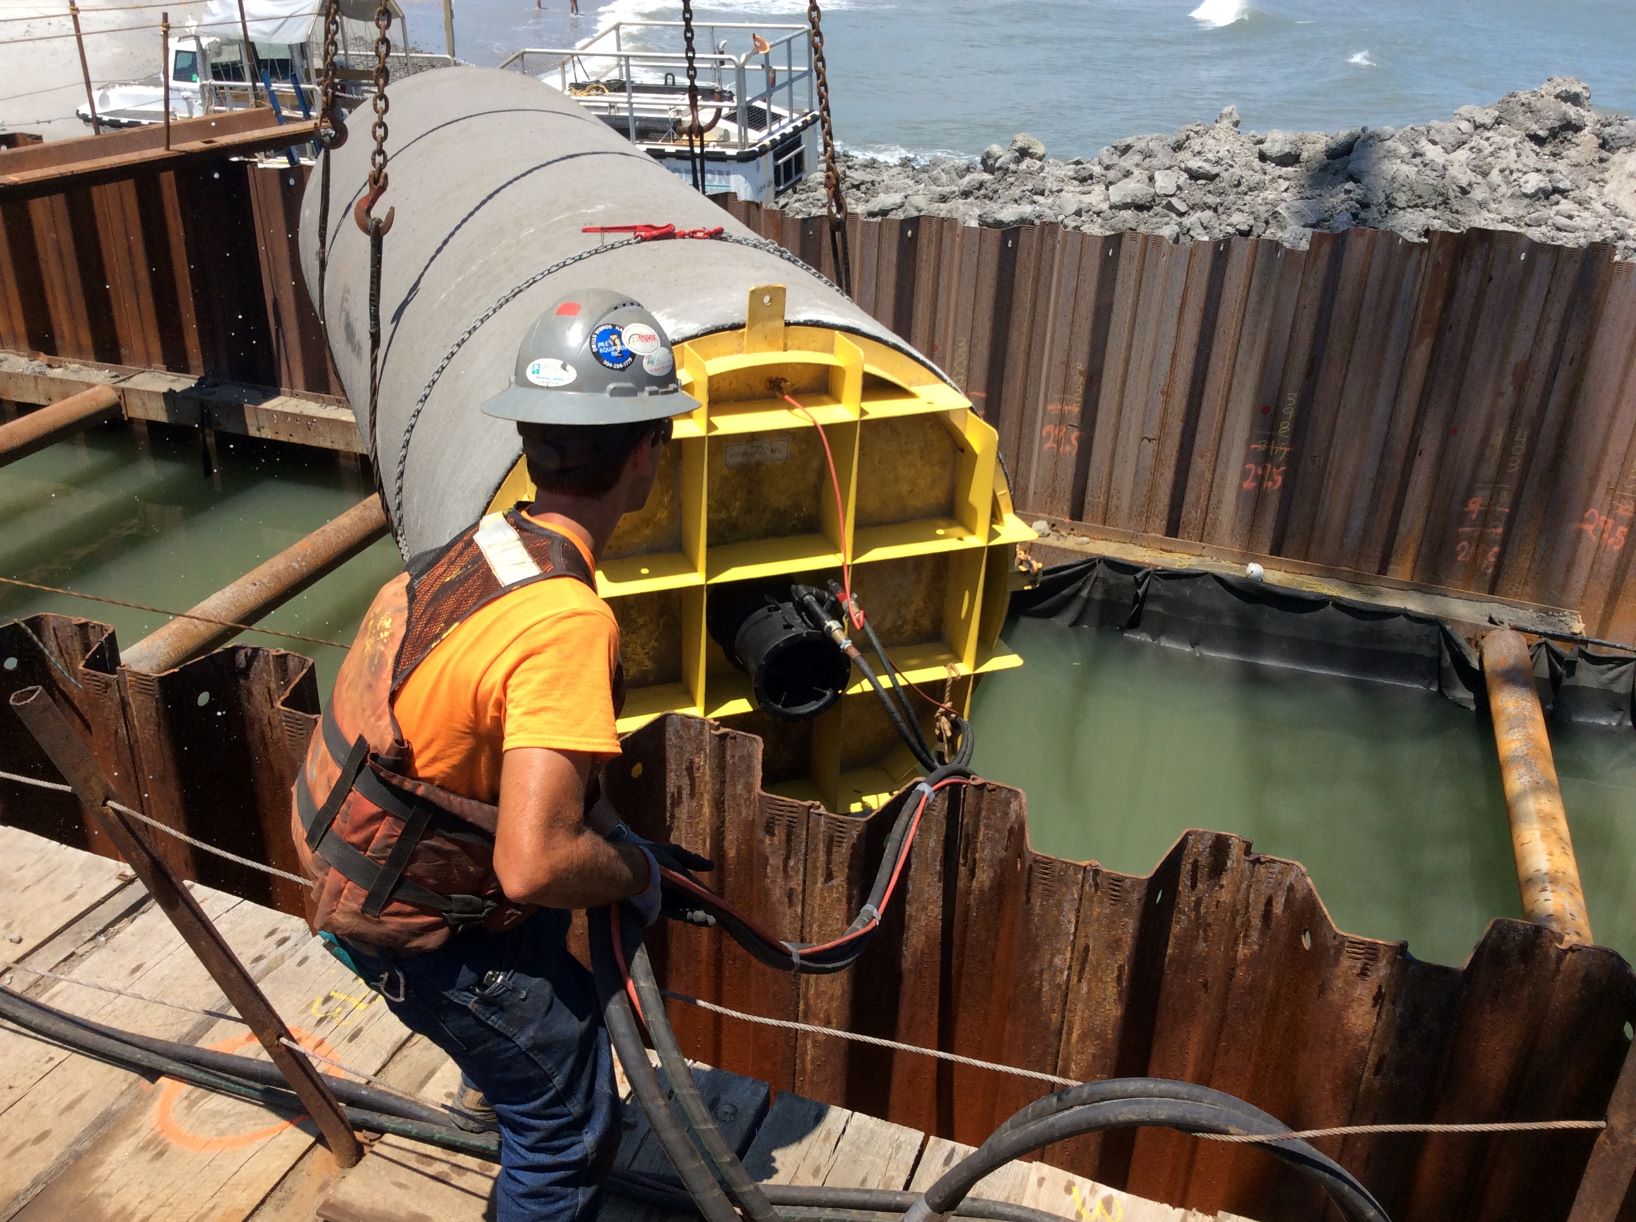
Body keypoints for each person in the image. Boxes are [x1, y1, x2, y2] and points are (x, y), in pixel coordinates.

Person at [288, 290, 709, 1221]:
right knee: (571, 1131)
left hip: (354, 855)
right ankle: (524, 1111)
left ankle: (502, 1077)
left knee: (559, 1002)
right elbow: (535, 863)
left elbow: (484, 761)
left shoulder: (477, 548)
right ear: (647, 452)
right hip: (406, 918)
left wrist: (617, 844)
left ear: (532, 435)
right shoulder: (567, 623)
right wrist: (634, 866)